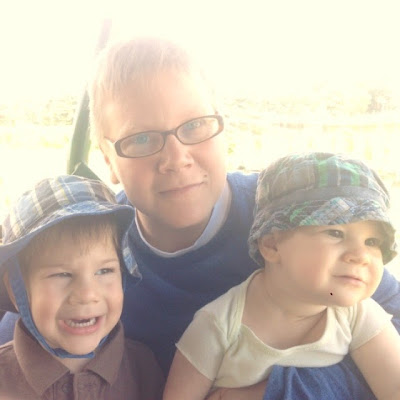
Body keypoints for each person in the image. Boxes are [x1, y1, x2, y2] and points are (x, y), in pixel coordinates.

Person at [1, 37, 400, 399]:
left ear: (223, 130)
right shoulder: (91, 247)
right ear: (108, 160)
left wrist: (275, 392)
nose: (176, 159)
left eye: (194, 126)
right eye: (142, 138)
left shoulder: (291, 218)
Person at [163, 152, 400, 400]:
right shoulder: (217, 326)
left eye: (372, 241)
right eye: (335, 233)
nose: (361, 256)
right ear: (272, 245)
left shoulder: (358, 314)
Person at [0, 175, 164, 399]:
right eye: (62, 274)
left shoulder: (143, 369)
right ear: (14, 289)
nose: (87, 294)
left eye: (104, 271)